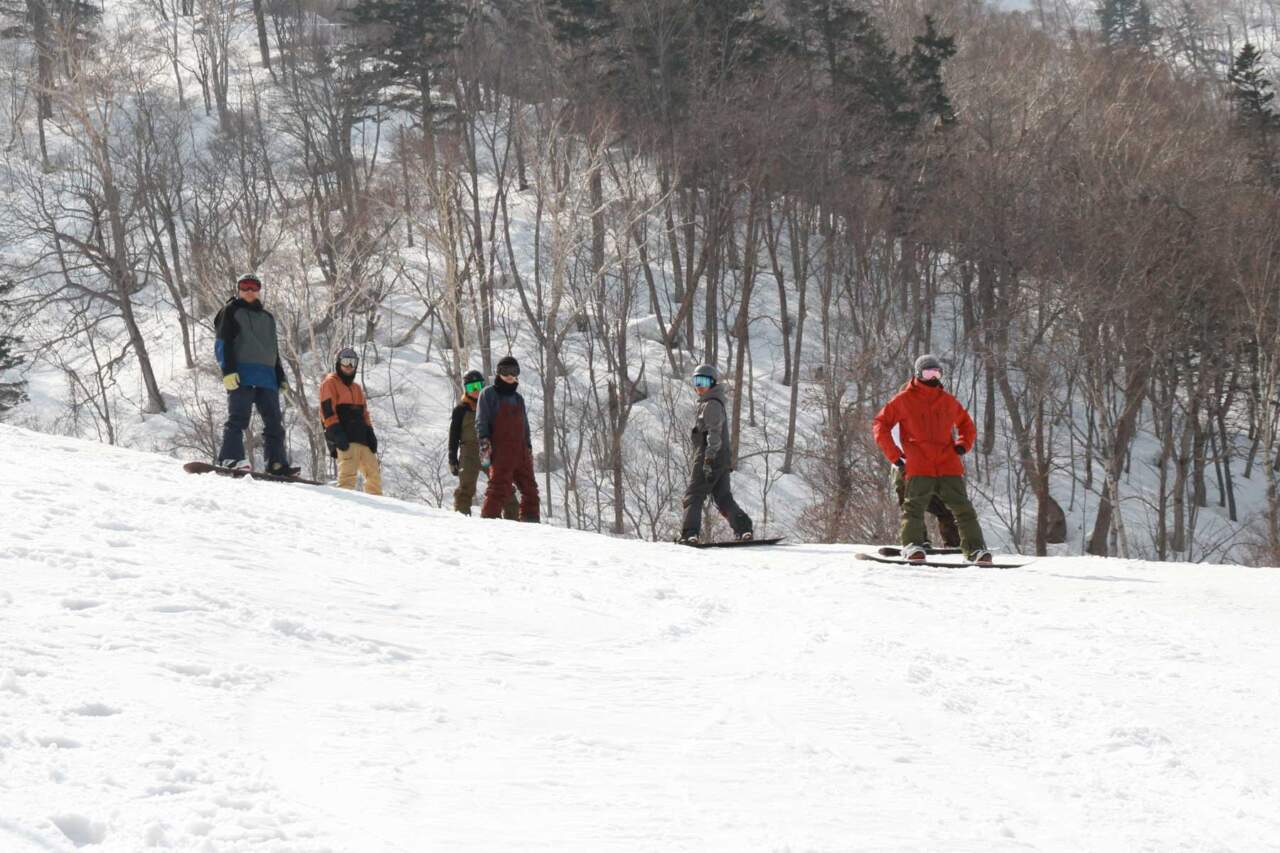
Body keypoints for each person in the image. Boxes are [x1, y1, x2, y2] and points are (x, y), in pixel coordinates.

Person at [872, 354, 991, 563]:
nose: (933, 377)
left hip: (948, 463)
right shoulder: (903, 399)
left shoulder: (946, 400)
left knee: (963, 507)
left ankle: (976, 550)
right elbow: (880, 425)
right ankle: (913, 546)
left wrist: (963, 444)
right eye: (928, 372)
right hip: (919, 463)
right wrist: (894, 454)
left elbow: (966, 424)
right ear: (918, 373)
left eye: (936, 372)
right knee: (913, 507)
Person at [215, 272, 298, 476]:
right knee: (238, 418)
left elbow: (273, 350)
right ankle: (230, 458)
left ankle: (276, 463)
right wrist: (228, 370)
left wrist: (281, 377)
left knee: (274, 423)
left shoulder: (267, 317)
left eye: (254, 286)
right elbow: (222, 343)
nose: (249, 291)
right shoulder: (230, 310)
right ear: (239, 289)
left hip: (267, 377)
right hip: (241, 374)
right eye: (245, 286)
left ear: (259, 290)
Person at [677, 364, 753, 544]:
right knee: (722, 497)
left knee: (694, 494)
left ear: (712, 382)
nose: (699, 386)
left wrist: (708, 459)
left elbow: (714, 434)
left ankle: (689, 534)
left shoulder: (711, 404)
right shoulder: (712, 402)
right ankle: (744, 530)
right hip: (722, 457)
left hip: (710, 455)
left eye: (703, 381)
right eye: (696, 381)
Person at [475, 356, 539, 521]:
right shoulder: (488, 394)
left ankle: (531, 525)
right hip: (501, 452)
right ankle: (489, 524)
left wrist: (528, 448)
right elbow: (481, 421)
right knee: (498, 489)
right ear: (498, 372)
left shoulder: (519, 399)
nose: (510, 375)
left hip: (521, 452)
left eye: (514, 371)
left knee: (531, 491)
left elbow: (524, 426)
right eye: (505, 371)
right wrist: (484, 446)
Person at [448, 369, 517, 518]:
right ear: (466, 390)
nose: (475, 391)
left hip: (490, 452)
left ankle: (514, 521)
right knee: (465, 488)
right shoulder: (460, 410)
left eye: (478, 386)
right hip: (469, 453)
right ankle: (461, 520)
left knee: (503, 485)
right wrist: (452, 457)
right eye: (471, 388)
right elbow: (453, 435)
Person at [318, 347, 382, 495]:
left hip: (362, 438)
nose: (348, 366)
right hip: (345, 439)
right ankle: (345, 509)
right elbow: (327, 411)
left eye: (352, 363)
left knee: (374, 475)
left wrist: (370, 432)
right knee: (348, 477)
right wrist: (336, 433)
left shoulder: (357, 388)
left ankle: (379, 506)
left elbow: (365, 413)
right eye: (345, 362)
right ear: (339, 363)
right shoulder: (330, 383)